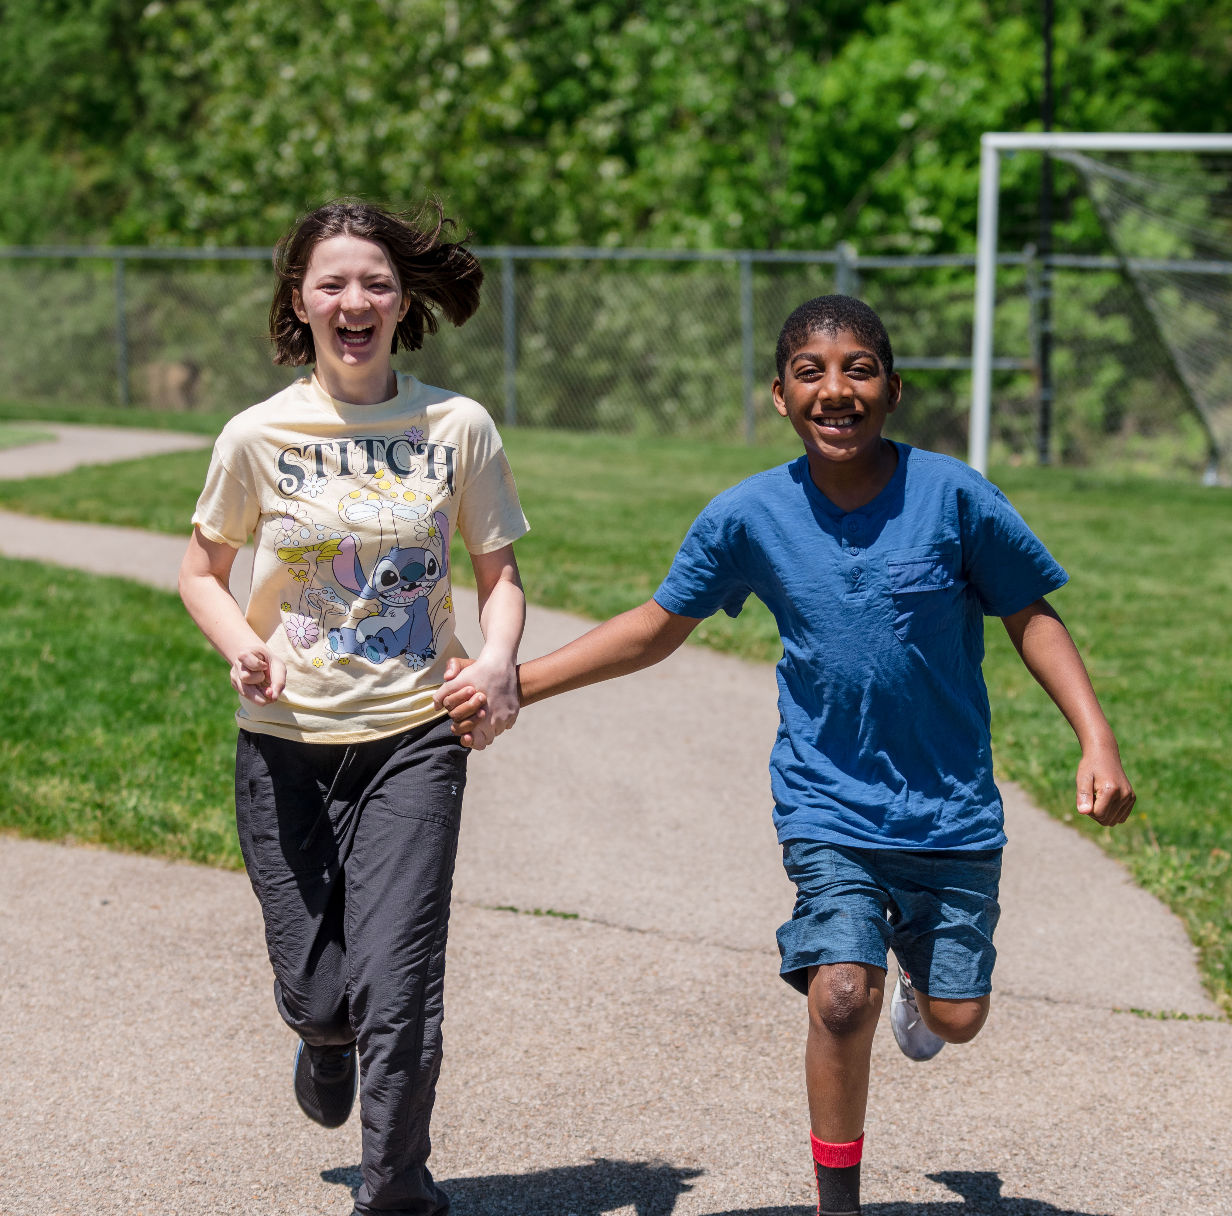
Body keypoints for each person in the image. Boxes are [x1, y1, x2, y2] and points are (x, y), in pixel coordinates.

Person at [441, 295, 1135, 1216]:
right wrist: (517, 681)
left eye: (858, 370)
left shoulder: (956, 496)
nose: (835, 389)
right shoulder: (750, 516)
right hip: (829, 806)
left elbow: (1029, 615)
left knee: (959, 1020)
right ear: (779, 395)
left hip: (949, 811)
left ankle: (923, 996)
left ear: (894, 389)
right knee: (840, 992)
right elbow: (655, 628)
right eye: (811, 371)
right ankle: (835, 1205)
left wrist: (1097, 738)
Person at [178, 199, 528, 1216]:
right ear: (300, 302)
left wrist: (498, 660)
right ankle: (320, 1036)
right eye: (332, 282)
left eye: (374, 280)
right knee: (319, 991)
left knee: (399, 981)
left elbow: (500, 573)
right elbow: (201, 570)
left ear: (402, 298)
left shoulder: (455, 426)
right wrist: (244, 645)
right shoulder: (255, 434)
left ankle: (395, 1189)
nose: (355, 300)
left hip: (415, 737)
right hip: (285, 746)